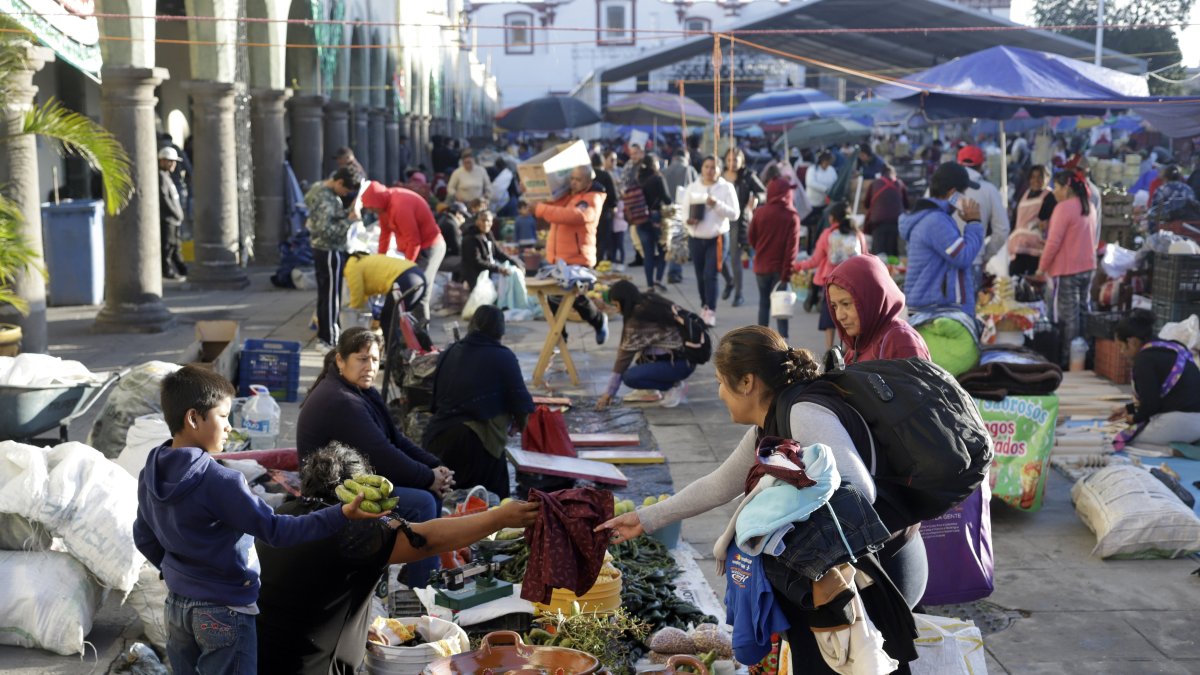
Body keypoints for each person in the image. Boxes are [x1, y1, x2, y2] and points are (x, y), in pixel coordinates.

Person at [596, 327, 927, 658]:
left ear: (746, 382)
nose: (719, 393)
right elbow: (718, 484)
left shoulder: (802, 413)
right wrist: (644, 519)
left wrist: (788, 509)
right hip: (839, 573)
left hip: (880, 568)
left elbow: (860, 490)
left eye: (721, 382)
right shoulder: (769, 425)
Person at [133, 366, 383, 675]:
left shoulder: (150, 474)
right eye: (223, 416)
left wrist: (178, 571)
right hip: (224, 610)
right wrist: (342, 513)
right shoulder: (221, 481)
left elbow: (143, 537)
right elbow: (278, 531)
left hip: (177, 608)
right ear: (194, 418)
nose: (229, 427)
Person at [256, 443, 538, 675]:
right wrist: (500, 517)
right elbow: (429, 540)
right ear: (358, 492)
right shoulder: (351, 531)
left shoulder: (282, 515)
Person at [295, 327, 452, 587]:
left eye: (375, 360)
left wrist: (435, 466)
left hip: (355, 480)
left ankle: (418, 574)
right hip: (330, 493)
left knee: (429, 494)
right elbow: (383, 455)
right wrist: (428, 478)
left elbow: (395, 439)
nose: (370, 366)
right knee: (423, 501)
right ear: (340, 360)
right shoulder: (341, 400)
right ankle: (423, 589)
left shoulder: (361, 391)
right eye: (362, 358)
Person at [423, 307, 535, 498]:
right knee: (491, 503)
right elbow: (521, 404)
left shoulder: (451, 351)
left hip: (436, 437)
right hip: (476, 443)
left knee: (447, 505)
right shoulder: (503, 356)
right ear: (500, 331)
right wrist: (520, 425)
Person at [900, 162, 985, 316]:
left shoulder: (931, 216)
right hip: (938, 312)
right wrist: (974, 223)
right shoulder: (936, 221)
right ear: (953, 193)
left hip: (930, 309)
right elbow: (962, 256)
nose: (965, 197)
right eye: (963, 192)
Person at [1108, 309, 1200, 450]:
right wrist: (1128, 408)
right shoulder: (1172, 347)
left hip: (1181, 421)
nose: (1122, 352)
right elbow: (1160, 394)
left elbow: (1151, 404)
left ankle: (1173, 450)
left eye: (1121, 346)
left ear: (1132, 342)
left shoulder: (1144, 359)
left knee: (1128, 440)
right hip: (1195, 420)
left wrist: (1134, 419)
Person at [596, 281, 694, 410]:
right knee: (640, 350)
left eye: (616, 305)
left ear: (624, 301)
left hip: (680, 362)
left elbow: (623, 359)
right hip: (685, 357)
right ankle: (650, 390)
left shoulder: (637, 319)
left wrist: (609, 393)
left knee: (630, 377)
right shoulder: (648, 300)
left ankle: (674, 385)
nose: (617, 310)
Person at [361, 180, 446, 325]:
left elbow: (414, 241)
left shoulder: (400, 206)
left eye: (372, 208)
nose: (372, 212)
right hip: (414, 248)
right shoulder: (384, 207)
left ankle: (422, 336)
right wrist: (379, 262)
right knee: (407, 290)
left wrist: (407, 268)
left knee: (418, 290)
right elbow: (385, 235)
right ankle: (408, 331)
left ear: (378, 201)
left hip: (430, 247)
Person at [1037, 169, 1097, 365]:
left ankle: (1067, 361)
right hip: (1088, 267)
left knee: (1069, 318)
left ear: (1067, 187)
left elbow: (1053, 243)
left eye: (1057, 187)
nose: (1054, 191)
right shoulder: (1089, 206)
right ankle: (1085, 356)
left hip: (1067, 270)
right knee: (1083, 312)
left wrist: (1041, 267)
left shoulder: (1063, 208)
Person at [824, 254, 930, 364]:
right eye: (834, 306)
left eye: (846, 304)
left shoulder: (901, 342)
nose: (839, 316)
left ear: (871, 299)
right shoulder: (859, 342)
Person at [795, 202, 867, 351]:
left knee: (830, 316)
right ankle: (849, 349)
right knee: (849, 314)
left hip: (831, 282)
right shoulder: (858, 234)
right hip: (853, 282)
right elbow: (865, 257)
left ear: (832, 218)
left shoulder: (827, 234)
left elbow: (815, 260)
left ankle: (830, 350)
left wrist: (799, 266)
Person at [306, 166, 364, 347]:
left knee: (325, 294)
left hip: (320, 248)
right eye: (345, 189)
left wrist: (347, 212)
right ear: (339, 182)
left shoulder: (319, 188)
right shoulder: (326, 197)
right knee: (331, 296)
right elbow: (326, 230)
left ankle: (326, 335)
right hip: (329, 249)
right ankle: (328, 339)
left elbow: (327, 218)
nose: (345, 193)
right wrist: (350, 221)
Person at [684, 155, 740, 327]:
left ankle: (711, 311)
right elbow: (684, 212)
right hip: (696, 238)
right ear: (701, 168)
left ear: (719, 170)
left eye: (713, 167)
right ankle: (704, 306)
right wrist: (688, 222)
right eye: (706, 166)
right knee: (700, 276)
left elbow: (734, 214)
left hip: (717, 238)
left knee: (711, 275)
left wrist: (716, 204)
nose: (709, 170)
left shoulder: (726, 188)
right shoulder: (693, 187)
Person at [747, 176, 801, 339]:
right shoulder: (792, 216)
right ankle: (783, 345)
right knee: (781, 310)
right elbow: (792, 250)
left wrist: (762, 250)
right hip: (780, 271)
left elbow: (751, 238)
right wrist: (787, 275)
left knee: (764, 305)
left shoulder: (760, 212)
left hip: (761, 268)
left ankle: (761, 342)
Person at [342, 253, 424, 347]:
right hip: (417, 275)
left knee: (388, 319)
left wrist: (354, 313)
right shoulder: (362, 260)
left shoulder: (352, 267)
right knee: (401, 321)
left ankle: (392, 356)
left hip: (405, 279)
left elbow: (357, 292)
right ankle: (408, 349)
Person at [955, 145, 1011, 283]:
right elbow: (1002, 230)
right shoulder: (989, 190)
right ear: (981, 166)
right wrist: (986, 255)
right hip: (974, 260)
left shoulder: (940, 187)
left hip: (942, 261)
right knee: (969, 304)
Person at [722, 147, 766, 308]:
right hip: (720, 220)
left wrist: (755, 200)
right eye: (729, 160)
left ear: (742, 161)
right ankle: (729, 281)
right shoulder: (720, 176)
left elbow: (764, 193)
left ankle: (738, 294)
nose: (732, 163)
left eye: (735, 160)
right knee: (718, 259)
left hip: (739, 221)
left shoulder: (748, 176)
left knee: (735, 258)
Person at [1008, 164, 1057, 277]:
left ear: (1047, 178)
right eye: (1033, 177)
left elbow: (1052, 222)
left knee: (1033, 280)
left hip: (1036, 249)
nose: (1036, 180)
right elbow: (1015, 219)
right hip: (1018, 247)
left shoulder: (1050, 197)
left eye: (1040, 177)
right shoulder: (1024, 195)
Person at [636, 154, 673, 291]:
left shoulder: (638, 178)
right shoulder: (658, 178)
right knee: (663, 250)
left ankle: (650, 284)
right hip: (657, 218)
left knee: (648, 253)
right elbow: (667, 199)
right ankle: (658, 279)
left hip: (641, 218)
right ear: (654, 164)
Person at [460, 210, 522, 290]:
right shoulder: (470, 238)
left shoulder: (488, 234)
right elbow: (476, 261)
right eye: (483, 220)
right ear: (477, 221)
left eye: (488, 221)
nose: (485, 224)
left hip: (489, 272)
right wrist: (498, 269)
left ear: (492, 222)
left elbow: (497, 253)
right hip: (476, 277)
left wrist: (514, 262)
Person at [863, 163, 909, 257]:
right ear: (894, 173)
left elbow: (866, 204)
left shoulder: (875, 183)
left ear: (881, 173)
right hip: (896, 223)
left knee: (878, 255)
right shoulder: (900, 184)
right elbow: (906, 205)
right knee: (892, 253)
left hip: (877, 224)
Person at [158, 146, 188, 280]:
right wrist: (175, 213)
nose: (174, 164)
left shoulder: (167, 177)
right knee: (168, 246)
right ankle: (167, 271)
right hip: (168, 219)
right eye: (171, 161)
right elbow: (163, 198)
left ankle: (182, 270)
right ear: (162, 161)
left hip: (174, 219)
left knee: (175, 246)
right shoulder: (161, 176)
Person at [592, 152, 619, 264]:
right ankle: (600, 261)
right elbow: (613, 195)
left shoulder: (588, 175)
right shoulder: (605, 175)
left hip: (591, 212)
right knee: (603, 239)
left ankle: (594, 261)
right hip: (605, 212)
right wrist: (614, 206)